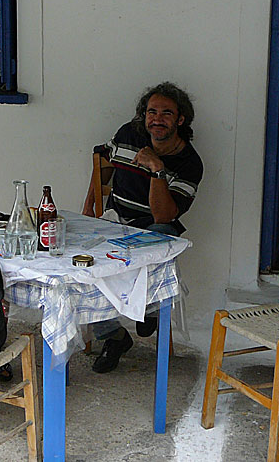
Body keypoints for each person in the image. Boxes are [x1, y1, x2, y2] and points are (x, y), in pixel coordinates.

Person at [82, 82, 203, 373]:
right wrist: (89, 211)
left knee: (140, 254)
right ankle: (114, 337)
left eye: (166, 113)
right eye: (151, 112)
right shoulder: (128, 134)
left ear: (180, 119)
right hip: (117, 220)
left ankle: (147, 306)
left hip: (155, 230)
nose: (157, 119)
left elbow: (164, 216)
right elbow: (102, 167)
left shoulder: (190, 163)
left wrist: (157, 169)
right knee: (85, 265)